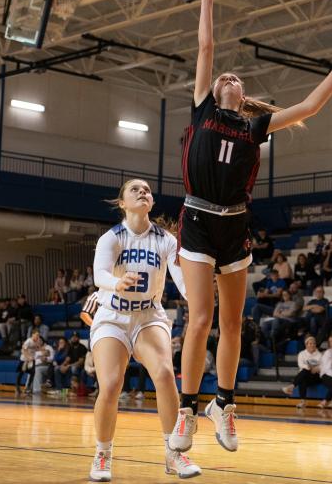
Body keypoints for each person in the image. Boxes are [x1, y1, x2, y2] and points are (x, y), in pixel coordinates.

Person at [170, 0, 332, 454]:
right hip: (195, 220)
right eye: (224, 78)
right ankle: (186, 412)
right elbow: (206, 48)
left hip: (235, 224)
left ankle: (224, 406)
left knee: (233, 325)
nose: (230, 76)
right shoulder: (202, 111)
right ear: (214, 91)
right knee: (199, 320)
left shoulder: (257, 127)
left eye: (237, 77)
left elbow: (311, 107)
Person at [88, 179, 200, 481]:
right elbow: (100, 274)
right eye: (135, 189)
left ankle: (173, 453)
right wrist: (116, 282)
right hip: (112, 316)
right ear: (122, 202)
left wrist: (197, 296)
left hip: (149, 315)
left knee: (164, 374)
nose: (143, 192)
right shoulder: (111, 238)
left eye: (147, 190)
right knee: (111, 385)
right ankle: (103, 453)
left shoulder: (165, 239)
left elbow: (181, 279)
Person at [282, 336, 322, 407]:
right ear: (306, 345)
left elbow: (322, 366)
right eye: (310, 343)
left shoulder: (319, 355)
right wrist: (309, 368)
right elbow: (300, 365)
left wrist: (316, 368)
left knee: (303, 373)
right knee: (303, 377)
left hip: (316, 376)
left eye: (314, 343)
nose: (312, 345)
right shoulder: (302, 354)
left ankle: (292, 386)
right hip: (305, 375)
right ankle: (303, 402)